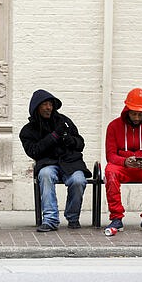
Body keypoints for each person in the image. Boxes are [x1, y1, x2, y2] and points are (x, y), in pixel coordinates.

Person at [20, 89, 92, 232]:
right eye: (44, 105)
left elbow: (80, 144)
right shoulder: (28, 130)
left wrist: (68, 139)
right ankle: (50, 220)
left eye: (50, 105)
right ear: (36, 107)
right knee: (45, 175)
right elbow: (33, 151)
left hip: (70, 162)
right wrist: (54, 136)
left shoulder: (64, 121)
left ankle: (73, 217)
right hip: (48, 163)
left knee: (79, 181)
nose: (48, 108)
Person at [104, 88, 142, 233]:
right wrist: (125, 161)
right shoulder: (113, 126)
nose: (137, 117)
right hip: (123, 167)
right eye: (133, 113)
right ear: (127, 110)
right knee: (109, 172)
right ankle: (116, 218)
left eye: (140, 114)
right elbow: (111, 155)